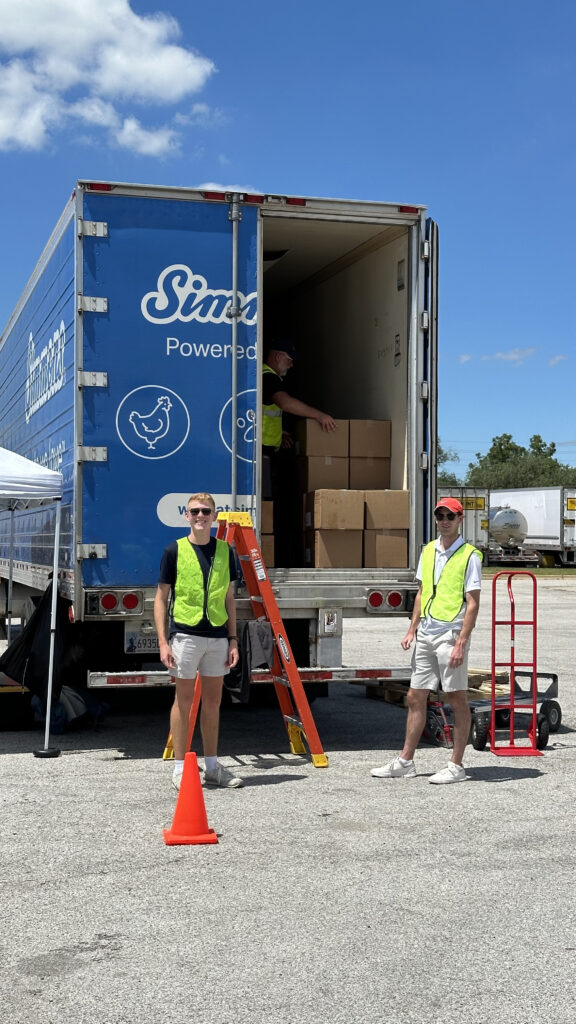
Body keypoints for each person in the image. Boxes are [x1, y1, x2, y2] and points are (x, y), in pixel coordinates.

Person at [371, 497, 482, 785]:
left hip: (451, 633)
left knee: (456, 698)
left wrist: (461, 642)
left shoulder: (470, 555)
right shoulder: (429, 551)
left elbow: (472, 603)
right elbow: (422, 592)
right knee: (415, 696)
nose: (444, 520)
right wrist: (412, 629)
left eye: (450, 515)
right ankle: (406, 761)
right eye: (440, 515)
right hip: (427, 634)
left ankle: (456, 766)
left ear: (460, 519)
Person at [154, 492, 242, 791]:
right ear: (187, 516)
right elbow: (161, 598)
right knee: (184, 701)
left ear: (215, 516)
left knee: (214, 703)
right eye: (195, 511)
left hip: (218, 636)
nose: (200, 516)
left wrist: (233, 639)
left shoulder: (226, 551)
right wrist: (164, 642)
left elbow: (229, 597)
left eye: (206, 511)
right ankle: (180, 769)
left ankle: (213, 767)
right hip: (186, 636)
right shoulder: (173, 551)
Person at [262, 341, 337, 564]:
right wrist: (319, 415)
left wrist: (279, 433)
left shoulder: (267, 378)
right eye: (289, 359)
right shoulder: (268, 377)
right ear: (276, 356)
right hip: (261, 456)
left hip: (269, 450)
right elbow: (285, 403)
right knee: (267, 507)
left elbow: (265, 415)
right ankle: (265, 558)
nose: (291, 365)